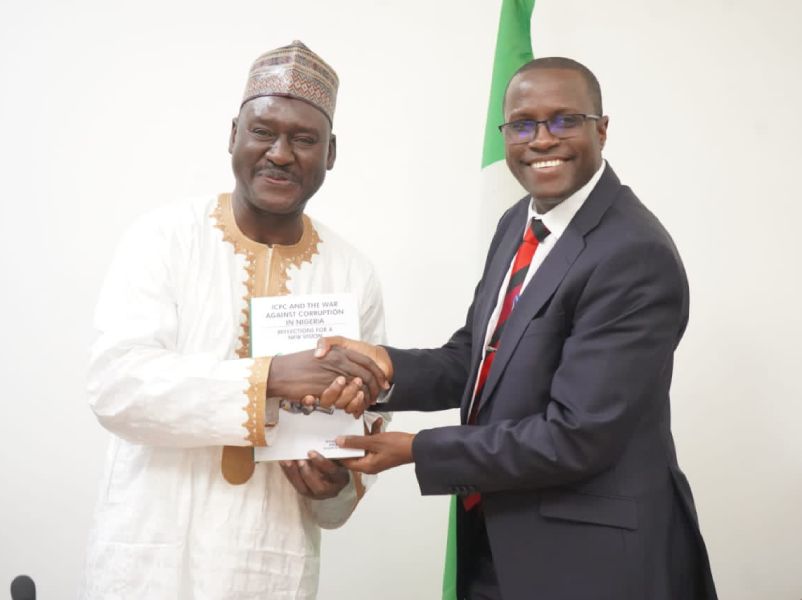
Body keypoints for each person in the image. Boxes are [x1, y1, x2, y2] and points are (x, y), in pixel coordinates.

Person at [318, 57, 718, 599]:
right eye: (523, 124)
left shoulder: (632, 253)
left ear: (602, 128)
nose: (541, 140)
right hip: (500, 541)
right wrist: (384, 368)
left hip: (593, 564)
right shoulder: (519, 222)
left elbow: (576, 437)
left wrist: (416, 449)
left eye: (564, 120)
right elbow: (479, 358)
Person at [80, 41, 388, 599]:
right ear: (232, 137)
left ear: (332, 152)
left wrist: (335, 487)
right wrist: (269, 377)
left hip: (272, 566)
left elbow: (362, 440)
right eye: (263, 132)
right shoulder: (165, 238)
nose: (280, 153)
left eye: (304, 139)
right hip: (152, 560)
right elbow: (116, 386)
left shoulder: (353, 274)